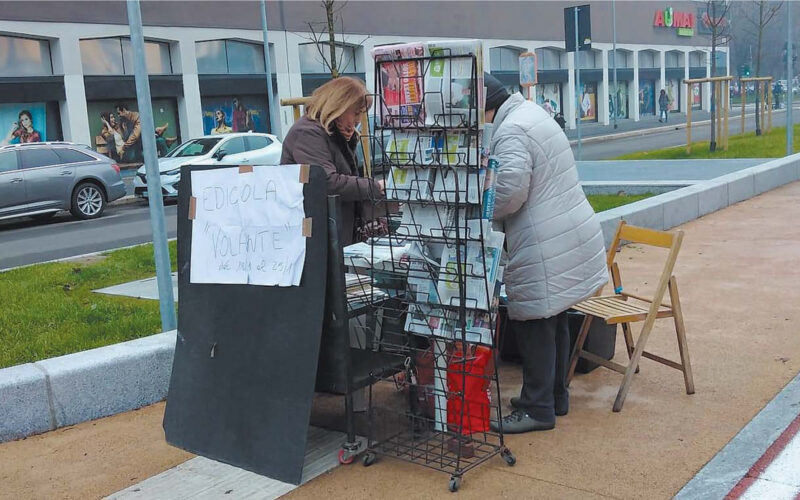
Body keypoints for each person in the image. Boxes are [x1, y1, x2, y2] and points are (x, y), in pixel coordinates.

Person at [482, 73, 607, 434]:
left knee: (534, 320)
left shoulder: (510, 131)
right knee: (554, 316)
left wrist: (478, 198)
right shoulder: (531, 114)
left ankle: (537, 408)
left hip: (543, 237)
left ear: (486, 109)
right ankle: (556, 396)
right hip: (567, 230)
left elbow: (507, 195)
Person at [280, 76, 385, 246]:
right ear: (339, 106)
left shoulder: (331, 132)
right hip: (315, 236)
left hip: (329, 230)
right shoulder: (308, 133)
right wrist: (375, 187)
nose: (359, 120)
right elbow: (327, 182)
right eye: (356, 112)